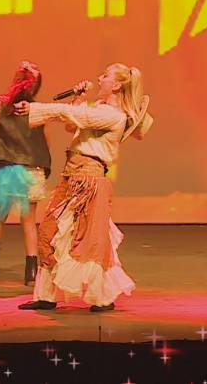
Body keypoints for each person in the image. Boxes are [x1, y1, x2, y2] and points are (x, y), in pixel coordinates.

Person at [14, 63, 152, 312]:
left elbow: (73, 117)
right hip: (72, 177)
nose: (99, 78)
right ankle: (46, 296)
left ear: (116, 85)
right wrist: (79, 99)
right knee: (51, 233)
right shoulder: (99, 109)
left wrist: (35, 108)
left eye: (105, 76)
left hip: (90, 182)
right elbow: (73, 124)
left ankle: (102, 298)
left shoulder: (113, 115)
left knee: (92, 242)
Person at [0, 61, 51, 285]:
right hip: (32, 169)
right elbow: (45, 143)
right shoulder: (38, 109)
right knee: (29, 222)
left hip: (7, 168)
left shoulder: (2, 103)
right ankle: (31, 271)